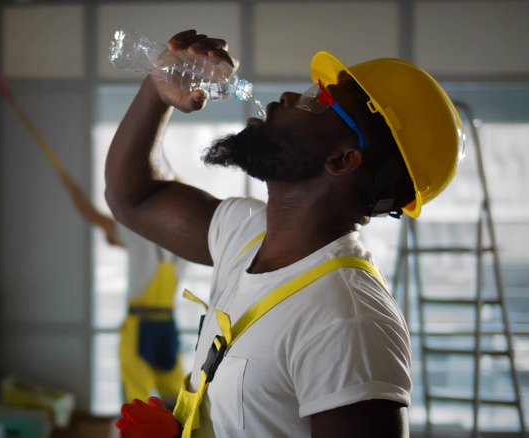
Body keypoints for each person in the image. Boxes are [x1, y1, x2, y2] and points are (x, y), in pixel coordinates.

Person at [107, 30, 464, 437]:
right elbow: (132, 197)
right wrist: (157, 90)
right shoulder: (244, 234)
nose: (292, 97)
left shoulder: (346, 320)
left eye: (317, 101)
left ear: (343, 159)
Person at [58, 167, 185, 409]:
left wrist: (73, 189)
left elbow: (94, 217)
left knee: (136, 403)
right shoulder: (183, 240)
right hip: (167, 327)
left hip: (139, 329)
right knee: (177, 402)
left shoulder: (140, 233)